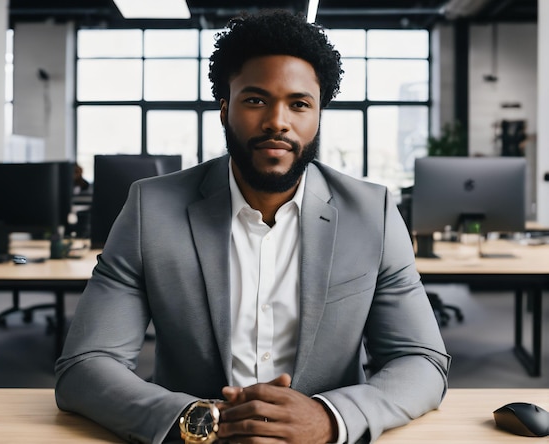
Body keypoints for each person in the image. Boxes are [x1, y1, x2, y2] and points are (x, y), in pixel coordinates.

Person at [55, 10, 450, 444]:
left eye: (299, 104)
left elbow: (420, 359)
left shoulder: (371, 212)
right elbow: (86, 364)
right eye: (256, 100)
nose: (277, 121)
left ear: (318, 115)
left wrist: (330, 418)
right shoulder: (152, 208)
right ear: (225, 108)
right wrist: (197, 421)